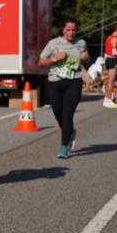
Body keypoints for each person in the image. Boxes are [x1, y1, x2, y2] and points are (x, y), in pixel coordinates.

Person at [39, 18, 89, 159]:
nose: (71, 33)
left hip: (74, 82)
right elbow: (41, 61)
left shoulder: (81, 43)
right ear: (63, 30)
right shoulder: (53, 43)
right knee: (58, 113)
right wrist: (54, 58)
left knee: (67, 114)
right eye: (68, 30)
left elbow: (85, 58)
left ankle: (64, 147)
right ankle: (70, 133)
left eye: (74, 30)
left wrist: (85, 58)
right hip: (55, 82)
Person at [102, 23, 117, 108]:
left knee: (109, 81)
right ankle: (108, 100)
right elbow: (114, 52)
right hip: (112, 59)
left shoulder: (109, 38)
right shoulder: (114, 38)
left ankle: (107, 100)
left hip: (108, 59)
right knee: (111, 81)